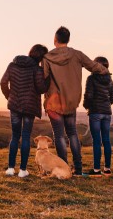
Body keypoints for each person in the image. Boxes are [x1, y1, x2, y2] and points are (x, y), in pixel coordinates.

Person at [43, 26, 109, 176]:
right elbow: (94, 66)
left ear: (55, 39)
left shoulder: (47, 58)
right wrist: (105, 71)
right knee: (72, 133)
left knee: (59, 135)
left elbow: (44, 81)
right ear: (68, 39)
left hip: (54, 103)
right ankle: (78, 169)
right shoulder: (77, 55)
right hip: (72, 101)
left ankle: (64, 168)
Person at [0, 44, 48, 178]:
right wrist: (48, 78)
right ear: (41, 57)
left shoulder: (12, 65)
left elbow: (3, 82)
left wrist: (10, 96)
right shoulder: (37, 70)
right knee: (26, 136)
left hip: (15, 105)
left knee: (15, 136)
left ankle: (10, 169)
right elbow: (41, 89)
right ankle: (22, 171)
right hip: (29, 107)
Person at [83, 56, 113, 177]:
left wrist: (87, 106)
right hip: (107, 113)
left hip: (95, 112)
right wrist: (106, 105)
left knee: (97, 141)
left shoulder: (91, 79)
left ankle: (97, 170)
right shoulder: (109, 79)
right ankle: (107, 169)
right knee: (106, 140)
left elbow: (89, 96)